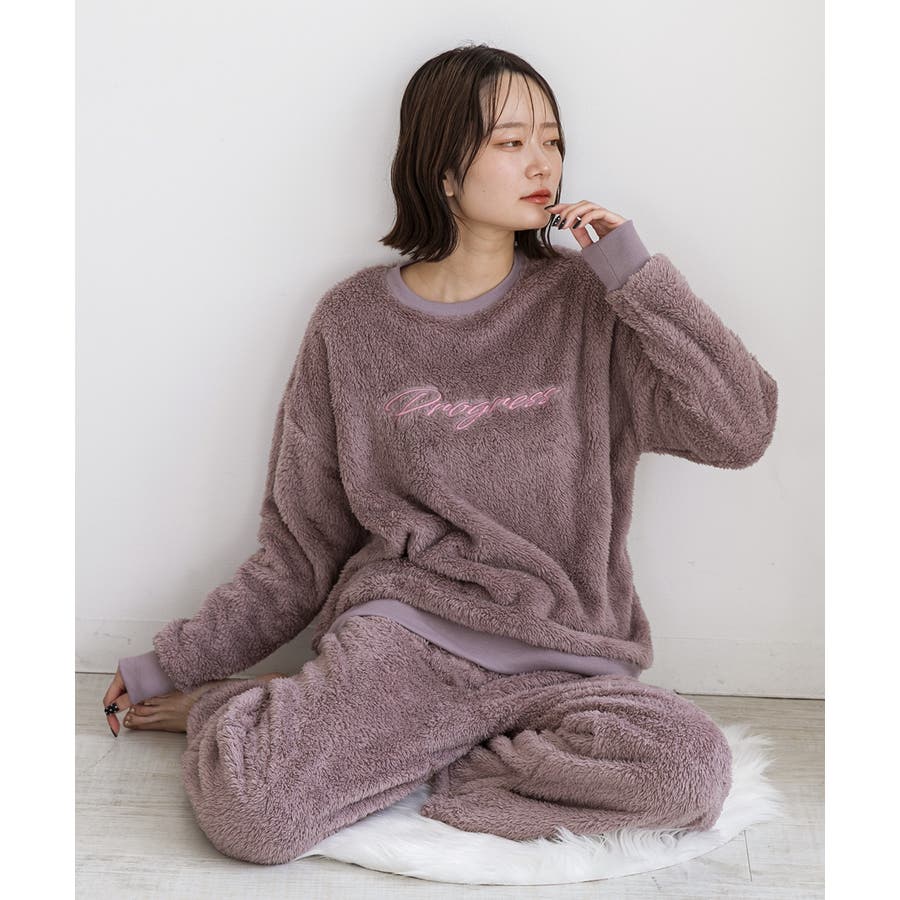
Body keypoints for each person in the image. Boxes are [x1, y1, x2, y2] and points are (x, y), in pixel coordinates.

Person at [102, 44, 778, 865]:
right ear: (444, 170)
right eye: (511, 142)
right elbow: (302, 547)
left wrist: (634, 273)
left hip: (571, 659)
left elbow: (740, 429)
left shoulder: (591, 304)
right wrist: (172, 663)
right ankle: (247, 713)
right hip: (408, 646)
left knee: (686, 775)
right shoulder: (355, 322)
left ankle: (416, 761)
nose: (543, 164)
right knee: (255, 817)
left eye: (553, 140)